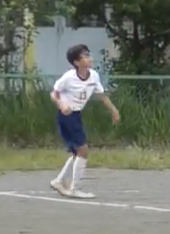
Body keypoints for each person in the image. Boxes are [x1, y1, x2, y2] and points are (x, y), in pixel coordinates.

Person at [49, 44, 120, 199]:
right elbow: (54, 93)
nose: (89, 58)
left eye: (89, 55)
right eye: (85, 56)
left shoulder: (93, 76)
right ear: (76, 62)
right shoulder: (69, 77)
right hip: (67, 116)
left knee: (77, 152)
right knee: (83, 150)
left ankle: (59, 181)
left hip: (76, 115)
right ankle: (74, 188)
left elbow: (101, 95)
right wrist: (61, 104)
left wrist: (113, 110)